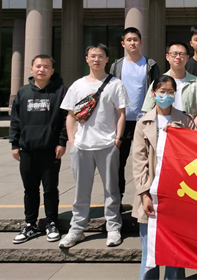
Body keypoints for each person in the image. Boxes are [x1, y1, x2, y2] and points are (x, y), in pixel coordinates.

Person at [58, 44, 130, 248]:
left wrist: (117, 139)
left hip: (108, 144)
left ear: (107, 59)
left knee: (111, 190)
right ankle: (77, 229)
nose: (96, 59)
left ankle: (113, 227)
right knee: (81, 191)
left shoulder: (116, 84)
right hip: (82, 146)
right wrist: (72, 142)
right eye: (93, 56)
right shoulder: (77, 85)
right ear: (86, 59)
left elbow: (121, 113)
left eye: (100, 56)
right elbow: (70, 115)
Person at [133, 75, 196, 280]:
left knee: (175, 253)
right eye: (162, 92)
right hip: (151, 191)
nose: (165, 96)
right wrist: (144, 194)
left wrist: (181, 135)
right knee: (149, 251)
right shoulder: (143, 122)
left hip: (177, 192)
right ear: (153, 93)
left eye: (170, 92)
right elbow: (139, 161)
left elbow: (196, 154)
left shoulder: (186, 121)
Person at [10, 54, 67, 244]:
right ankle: (30, 224)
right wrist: (15, 143)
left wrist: (62, 142)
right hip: (27, 149)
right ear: (31, 69)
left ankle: (51, 222)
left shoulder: (60, 91)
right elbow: (15, 119)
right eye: (38, 66)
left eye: (46, 67)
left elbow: (65, 119)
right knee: (30, 189)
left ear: (52, 70)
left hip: (50, 150)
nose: (42, 70)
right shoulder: (23, 92)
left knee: (50, 189)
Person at [109, 27, 160, 209]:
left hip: (144, 122)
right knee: (118, 163)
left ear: (141, 42)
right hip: (121, 122)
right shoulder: (117, 66)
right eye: (129, 40)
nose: (132, 43)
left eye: (135, 40)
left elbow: (157, 91)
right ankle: (117, 202)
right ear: (123, 43)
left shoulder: (150, 65)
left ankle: (149, 200)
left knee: (148, 162)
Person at [142, 41, 197, 130]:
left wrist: (188, 131)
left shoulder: (196, 82)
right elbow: (148, 109)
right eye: (174, 54)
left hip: (188, 132)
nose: (178, 57)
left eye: (181, 54)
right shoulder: (157, 82)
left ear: (187, 58)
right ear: (167, 57)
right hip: (161, 131)